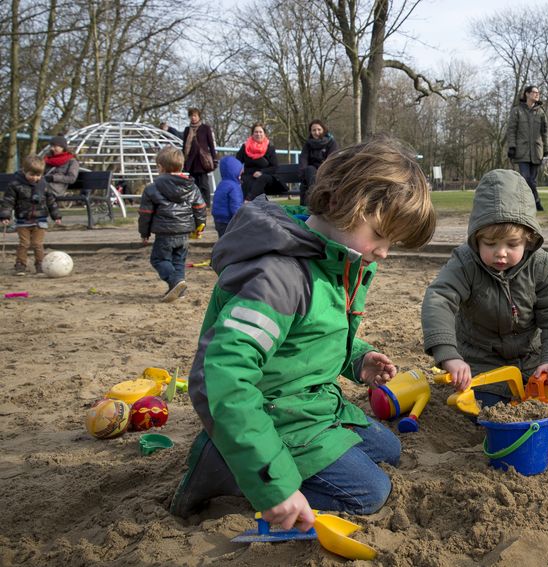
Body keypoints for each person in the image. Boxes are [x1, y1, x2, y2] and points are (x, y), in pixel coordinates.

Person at [169, 138, 437, 531]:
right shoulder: (277, 277)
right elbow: (221, 376)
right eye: (380, 235)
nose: (384, 252)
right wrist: (273, 486)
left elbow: (309, 338)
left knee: (389, 451)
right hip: (276, 414)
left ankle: (258, 458)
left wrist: (357, 358)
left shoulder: (333, 260)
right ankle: (231, 464)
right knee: (369, 493)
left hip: (310, 405)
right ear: (345, 205)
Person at [422, 169, 548, 407]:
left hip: (531, 360)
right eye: (490, 244)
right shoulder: (465, 262)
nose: (500, 253)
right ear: (476, 239)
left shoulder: (541, 264)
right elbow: (439, 299)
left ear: (528, 239)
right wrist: (448, 354)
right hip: (481, 361)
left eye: (512, 244)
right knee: (488, 410)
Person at [138, 146, 207, 303]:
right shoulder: (191, 186)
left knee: (158, 259)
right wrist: (200, 226)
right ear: (181, 166)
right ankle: (178, 290)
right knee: (178, 261)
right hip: (184, 232)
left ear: (160, 167)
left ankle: (175, 282)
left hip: (165, 232)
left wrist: (144, 233)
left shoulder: (152, 188)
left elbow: (145, 214)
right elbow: (200, 208)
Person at [0, 155, 61, 276]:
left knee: (37, 244)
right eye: (31, 175)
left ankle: (40, 265)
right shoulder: (15, 185)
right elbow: (8, 201)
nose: (35, 178)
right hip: (23, 220)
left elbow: (51, 201)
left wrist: (56, 216)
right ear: (24, 171)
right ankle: (20, 265)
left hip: (40, 220)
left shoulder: (43, 185)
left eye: (38, 175)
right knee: (24, 244)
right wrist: (5, 216)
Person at [506, 85, 548, 211]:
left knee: (532, 180)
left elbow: (545, 132)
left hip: (537, 151)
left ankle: (527, 205)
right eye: (534, 92)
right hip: (522, 151)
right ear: (527, 94)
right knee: (526, 178)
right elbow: (511, 130)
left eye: (538, 92)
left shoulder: (541, 112)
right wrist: (512, 146)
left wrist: (547, 150)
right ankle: (536, 201)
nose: (537, 94)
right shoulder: (517, 110)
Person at [236, 123, 285, 201]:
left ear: (264, 134)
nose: (258, 134)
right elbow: (237, 162)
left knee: (261, 178)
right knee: (247, 181)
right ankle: (259, 205)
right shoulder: (245, 147)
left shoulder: (270, 148)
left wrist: (262, 172)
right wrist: (238, 173)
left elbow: (275, 167)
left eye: (260, 132)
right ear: (252, 134)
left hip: (267, 177)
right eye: (256, 132)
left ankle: (247, 201)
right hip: (249, 177)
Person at [181, 108, 218, 207]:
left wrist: (214, 159)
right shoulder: (187, 130)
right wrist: (183, 161)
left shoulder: (205, 128)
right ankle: (196, 205)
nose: (193, 118)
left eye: (195, 115)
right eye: (191, 116)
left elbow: (211, 145)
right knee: (193, 185)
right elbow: (184, 146)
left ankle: (206, 205)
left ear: (199, 116)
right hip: (191, 161)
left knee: (204, 184)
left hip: (202, 161)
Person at [298, 120, 338, 206]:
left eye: (319, 129)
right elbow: (303, 159)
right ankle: (313, 200)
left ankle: (315, 200)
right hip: (310, 174)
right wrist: (302, 173)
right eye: (314, 130)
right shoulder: (307, 144)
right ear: (311, 132)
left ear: (323, 130)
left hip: (325, 173)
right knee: (309, 170)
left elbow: (332, 159)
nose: (316, 132)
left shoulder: (331, 143)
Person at [211, 156, 244, 237]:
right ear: (235, 171)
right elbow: (235, 205)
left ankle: (221, 249)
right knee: (230, 240)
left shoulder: (221, 184)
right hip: (228, 220)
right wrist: (240, 219)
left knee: (222, 239)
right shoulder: (234, 187)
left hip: (218, 219)